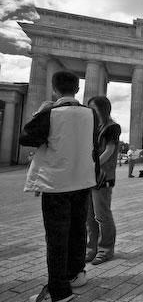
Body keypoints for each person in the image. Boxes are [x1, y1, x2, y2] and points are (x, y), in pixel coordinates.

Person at [20, 71, 98, 302]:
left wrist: (42, 111)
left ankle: (59, 291)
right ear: (77, 89)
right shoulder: (90, 114)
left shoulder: (51, 113)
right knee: (77, 230)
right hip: (82, 180)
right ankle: (76, 274)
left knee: (56, 237)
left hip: (56, 183)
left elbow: (26, 138)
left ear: (54, 90)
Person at [86, 96, 121, 266]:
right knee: (89, 216)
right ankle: (91, 248)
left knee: (102, 215)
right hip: (88, 176)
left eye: (94, 108)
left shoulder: (112, 127)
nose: (91, 111)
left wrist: (94, 164)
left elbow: (110, 150)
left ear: (103, 109)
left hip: (103, 177)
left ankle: (105, 250)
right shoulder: (94, 127)